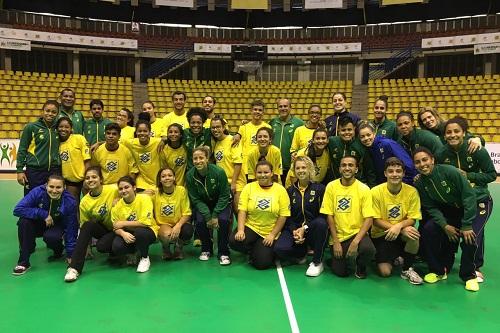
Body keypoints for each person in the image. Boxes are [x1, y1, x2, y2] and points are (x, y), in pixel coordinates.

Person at [436, 117, 495, 283]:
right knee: (453, 233)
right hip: (457, 202)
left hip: (479, 199)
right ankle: (448, 262)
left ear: (464, 133)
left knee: (474, 233)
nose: (453, 135)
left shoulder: (476, 149)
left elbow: (491, 174)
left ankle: (475, 267)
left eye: (456, 131)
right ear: (444, 135)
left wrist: (468, 176)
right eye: (449, 132)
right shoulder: (441, 154)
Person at [413, 147, 480, 291]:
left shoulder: (450, 171)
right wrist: (444, 226)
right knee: (428, 229)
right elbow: (431, 207)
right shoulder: (419, 182)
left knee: (469, 237)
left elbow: (469, 196)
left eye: (425, 160)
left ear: (432, 160)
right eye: (417, 162)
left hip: (466, 210)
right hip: (447, 213)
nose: (422, 164)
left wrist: (467, 224)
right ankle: (437, 271)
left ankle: (469, 276)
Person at [320, 155, 375, 278]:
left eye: (351, 165)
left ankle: (360, 267)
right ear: (339, 169)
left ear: (356, 169)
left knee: (368, 249)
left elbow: (369, 218)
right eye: (344, 165)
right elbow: (329, 215)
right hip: (339, 236)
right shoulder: (331, 186)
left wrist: (356, 242)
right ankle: (341, 260)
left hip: (357, 234)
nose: (347, 168)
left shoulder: (364, 189)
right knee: (341, 273)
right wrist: (335, 241)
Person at [370, 157, 423, 285]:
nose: (395, 174)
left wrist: (399, 227)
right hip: (381, 235)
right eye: (391, 171)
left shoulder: (412, 191)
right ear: (385, 173)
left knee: (413, 234)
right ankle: (394, 257)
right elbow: (375, 220)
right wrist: (396, 229)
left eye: (398, 171)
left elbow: (412, 218)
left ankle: (407, 269)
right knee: (385, 273)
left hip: (402, 231)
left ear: (403, 173)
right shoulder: (375, 192)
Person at [12, 174, 78, 275]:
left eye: (58, 187)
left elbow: (71, 227)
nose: (54, 190)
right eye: (51, 186)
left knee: (51, 237)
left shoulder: (70, 201)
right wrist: (43, 214)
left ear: (64, 188)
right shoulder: (37, 192)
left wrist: (70, 254)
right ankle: (23, 262)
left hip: (56, 225)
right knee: (24, 222)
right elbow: (18, 209)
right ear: (46, 185)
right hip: (39, 223)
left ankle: (58, 250)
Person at [230, 160, 290, 270]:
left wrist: (272, 234)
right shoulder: (249, 187)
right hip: (252, 227)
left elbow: (283, 216)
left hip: (269, 230)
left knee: (261, 264)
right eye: (259, 172)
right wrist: (240, 230)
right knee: (234, 241)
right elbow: (242, 210)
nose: (262, 175)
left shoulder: (280, 190)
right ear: (255, 173)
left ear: (272, 173)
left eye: (266, 172)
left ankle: (259, 250)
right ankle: (254, 247)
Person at [274, 157, 328, 277]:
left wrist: (305, 228)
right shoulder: (289, 191)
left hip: (313, 229)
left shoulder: (320, 189)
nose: (301, 170)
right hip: (296, 229)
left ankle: (317, 262)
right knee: (279, 249)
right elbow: (288, 216)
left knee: (321, 224)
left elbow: (324, 215)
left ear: (310, 169)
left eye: (304, 167)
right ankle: (300, 253)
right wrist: (295, 231)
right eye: (297, 168)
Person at [64, 167, 119, 282]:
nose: (90, 180)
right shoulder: (84, 202)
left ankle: (129, 252)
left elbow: (130, 193)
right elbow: (84, 226)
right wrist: (87, 247)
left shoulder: (113, 190)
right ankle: (74, 268)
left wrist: (120, 200)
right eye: (87, 178)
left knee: (115, 246)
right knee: (91, 229)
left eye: (94, 177)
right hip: (106, 230)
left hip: (121, 228)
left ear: (101, 180)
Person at [185, 147, 233, 265]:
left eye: (201, 158)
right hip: (203, 203)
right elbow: (195, 198)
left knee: (223, 220)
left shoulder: (219, 172)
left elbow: (224, 195)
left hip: (221, 202)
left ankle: (223, 252)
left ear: (207, 159)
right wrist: (208, 216)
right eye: (195, 158)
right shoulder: (190, 175)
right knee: (200, 222)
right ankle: (206, 249)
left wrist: (215, 214)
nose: (198, 161)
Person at [111, 176, 158, 273]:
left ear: (134, 187)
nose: (123, 191)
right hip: (129, 233)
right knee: (117, 246)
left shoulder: (144, 199)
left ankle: (144, 257)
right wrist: (123, 234)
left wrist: (123, 223)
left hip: (148, 231)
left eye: (126, 187)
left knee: (140, 232)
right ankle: (132, 252)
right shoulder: (117, 206)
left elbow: (145, 222)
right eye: (120, 189)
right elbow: (115, 226)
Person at [17, 100, 61, 195]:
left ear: (57, 114)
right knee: (32, 199)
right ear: (42, 111)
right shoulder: (31, 127)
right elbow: (22, 149)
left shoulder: (59, 128)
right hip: (34, 171)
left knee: (51, 200)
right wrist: (20, 170)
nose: (50, 114)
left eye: (54, 112)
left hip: (54, 171)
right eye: (47, 111)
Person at [154, 168, 193, 260]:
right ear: (160, 180)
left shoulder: (181, 190)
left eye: (170, 175)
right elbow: (137, 197)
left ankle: (178, 248)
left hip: (179, 222)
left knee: (187, 230)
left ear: (174, 178)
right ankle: (166, 248)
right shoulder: (155, 192)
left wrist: (178, 226)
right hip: (163, 224)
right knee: (167, 235)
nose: (167, 178)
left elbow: (187, 213)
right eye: (163, 176)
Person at [328, 116, 377, 187]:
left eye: (349, 129)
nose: (347, 133)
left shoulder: (361, 144)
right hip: (337, 185)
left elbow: (369, 170)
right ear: (338, 130)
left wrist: (371, 187)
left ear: (354, 129)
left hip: (358, 185)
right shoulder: (332, 141)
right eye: (343, 130)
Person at [211, 115, 246, 212]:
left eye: (218, 127)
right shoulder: (216, 143)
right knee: (227, 215)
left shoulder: (233, 140)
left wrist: (233, 184)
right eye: (213, 127)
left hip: (237, 183)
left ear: (223, 127)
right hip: (223, 184)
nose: (215, 129)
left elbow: (238, 163)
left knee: (238, 212)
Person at [121, 115, 163, 193]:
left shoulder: (157, 142)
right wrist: (99, 143)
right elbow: (115, 141)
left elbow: (170, 139)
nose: (142, 133)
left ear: (150, 132)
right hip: (142, 181)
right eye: (139, 131)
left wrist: (164, 140)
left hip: (157, 180)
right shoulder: (131, 143)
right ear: (136, 132)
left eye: (145, 131)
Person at [269, 98, 304, 185]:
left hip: (291, 165)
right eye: (280, 106)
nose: (283, 108)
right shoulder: (272, 122)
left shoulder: (299, 123)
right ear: (277, 108)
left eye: (285, 106)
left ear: (290, 108)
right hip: (275, 166)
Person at [418, 106, 483, 151]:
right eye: (424, 120)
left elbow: (471, 137)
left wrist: (477, 139)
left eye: (429, 117)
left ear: (435, 116)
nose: (428, 121)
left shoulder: (449, 126)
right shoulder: (424, 136)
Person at [57, 116, 91, 201]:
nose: (63, 129)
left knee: (88, 203)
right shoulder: (56, 143)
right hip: (70, 182)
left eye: (66, 127)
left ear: (71, 129)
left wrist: (87, 179)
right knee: (73, 205)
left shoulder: (79, 138)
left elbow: (87, 159)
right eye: (61, 127)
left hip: (84, 179)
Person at [237, 100, 271, 178]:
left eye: (260, 110)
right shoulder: (243, 128)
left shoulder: (268, 127)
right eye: (255, 109)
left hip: (262, 166)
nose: (257, 112)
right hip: (246, 167)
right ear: (251, 111)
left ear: (263, 112)